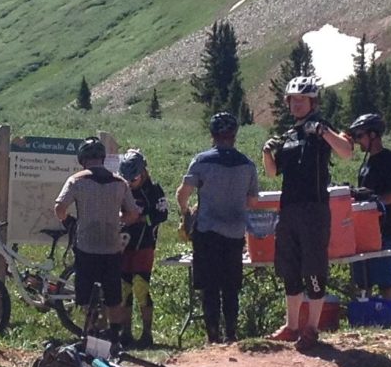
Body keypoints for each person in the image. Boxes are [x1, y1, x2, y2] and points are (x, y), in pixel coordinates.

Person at [264, 75, 354, 350]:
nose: (297, 104)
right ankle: (291, 326)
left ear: (312, 102)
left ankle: (312, 328)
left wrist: (323, 132)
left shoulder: (322, 128)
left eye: (302, 99)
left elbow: (347, 152)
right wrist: (267, 153)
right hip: (289, 208)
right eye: (293, 99)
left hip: (314, 209)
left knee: (314, 266)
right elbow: (271, 173)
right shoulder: (288, 136)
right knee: (289, 267)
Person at [178, 112, 259, 342]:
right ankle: (232, 334)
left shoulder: (202, 161)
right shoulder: (247, 164)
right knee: (231, 286)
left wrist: (186, 211)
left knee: (210, 287)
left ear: (212, 135)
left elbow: (183, 193)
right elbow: (253, 201)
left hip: (207, 232)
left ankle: (213, 336)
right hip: (234, 233)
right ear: (234, 135)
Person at [55, 136, 141, 338]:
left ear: (82, 159)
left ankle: (91, 333)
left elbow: (59, 208)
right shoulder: (119, 182)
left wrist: (69, 222)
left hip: (86, 246)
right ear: (102, 158)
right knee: (113, 296)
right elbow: (133, 214)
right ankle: (115, 336)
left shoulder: (76, 180)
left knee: (85, 296)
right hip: (111, 246)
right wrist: (117, 219)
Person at [347, 112, 391, 299]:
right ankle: (366, 317)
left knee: (385, 279)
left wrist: (376, 202)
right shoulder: (366, 164)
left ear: (373, 135)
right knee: (362, 280)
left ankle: (387, 315)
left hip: (384, 230)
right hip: (363, 230)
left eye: (360, 136)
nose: (358, 141)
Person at [115, 149, 169, 345]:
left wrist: (141, 218)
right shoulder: (121, 189)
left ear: (144, 172)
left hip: (144, 244)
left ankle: (147, 333)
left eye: (135, 177)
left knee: (140, 286)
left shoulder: (154, 190)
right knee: (123, 289)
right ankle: (126, 332)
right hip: (123, 245)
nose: (131, 182)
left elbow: (162, 214)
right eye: (127, 178)